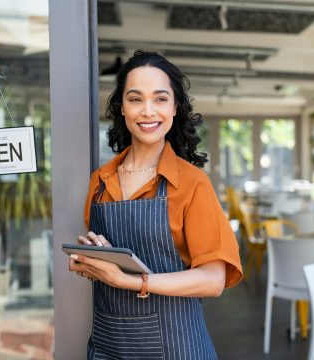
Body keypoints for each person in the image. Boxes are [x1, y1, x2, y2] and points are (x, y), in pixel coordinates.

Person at [69, 50, 243, 359]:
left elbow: (213, 280)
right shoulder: (100, 181)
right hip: (110, 346)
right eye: (136, 99)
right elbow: (107, 263)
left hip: (176, 346)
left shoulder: (192, 183)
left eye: (160, 99)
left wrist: (131, 280)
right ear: (122, 108)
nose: (148, 111)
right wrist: (91, 262)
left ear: (175, 108)